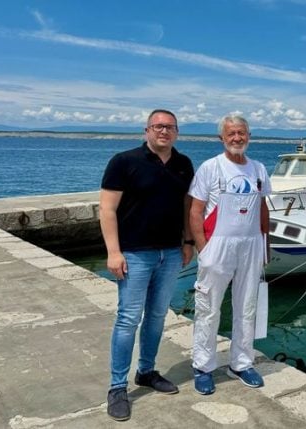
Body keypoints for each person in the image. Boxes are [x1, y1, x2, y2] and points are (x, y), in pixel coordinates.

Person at [99, 109, 195, 421]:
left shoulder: (183, 164)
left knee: (156, 316)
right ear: (147, 130)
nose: (163, 132)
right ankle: (117, 387)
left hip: (169, 253)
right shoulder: (124, 161)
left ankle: (147, 371)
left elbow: (186, 206)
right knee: (128, 319)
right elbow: (108, 209)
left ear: (177, 132)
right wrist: (114, 252)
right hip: (135, 254)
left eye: (169, 127)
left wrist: (187, 242)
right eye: (158, 126)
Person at [188, 115, 271, 395]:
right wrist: (204, 249)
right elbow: (196, 211)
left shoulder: (258, 169)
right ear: (222, 138)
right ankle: (203, 366)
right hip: (218, 246)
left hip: (251, 245)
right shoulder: (211, 168)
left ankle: (242, 363)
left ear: (249, 136)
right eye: (231, 133)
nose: (237, 138)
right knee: (209, 308)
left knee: (247, 307)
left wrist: (265, 244)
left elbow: (262, 207)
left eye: (242, 133)